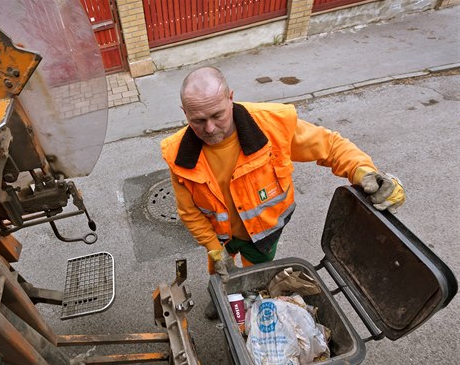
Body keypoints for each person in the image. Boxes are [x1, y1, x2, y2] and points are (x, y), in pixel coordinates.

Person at [160, 66, 405, 318]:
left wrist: (362, 171)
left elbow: (330, 146)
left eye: (217, 115)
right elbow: (189, 212)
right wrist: (214, 248)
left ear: (230, 97)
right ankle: (220, 296)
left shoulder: (273, 125)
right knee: (220, 272)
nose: (210, 129)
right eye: (198, 120)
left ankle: (248, 298)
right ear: (184, 113)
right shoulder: (178, 154)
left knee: (256, 276)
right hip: (219, 237)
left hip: (264, 233)